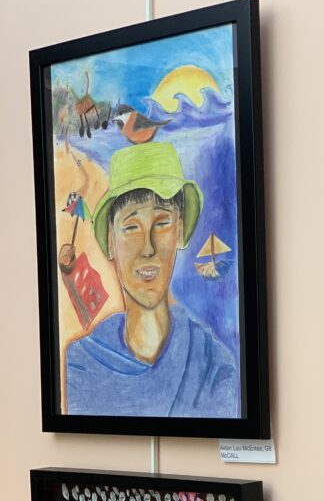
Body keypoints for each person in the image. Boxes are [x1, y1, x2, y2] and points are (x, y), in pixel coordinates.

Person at [65, 142, 239, 417]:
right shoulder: (82, 364)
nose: (148, 248)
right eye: (131, 227)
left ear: (180, 230)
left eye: (162, 223)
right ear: (110, 240)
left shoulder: (214, 366)